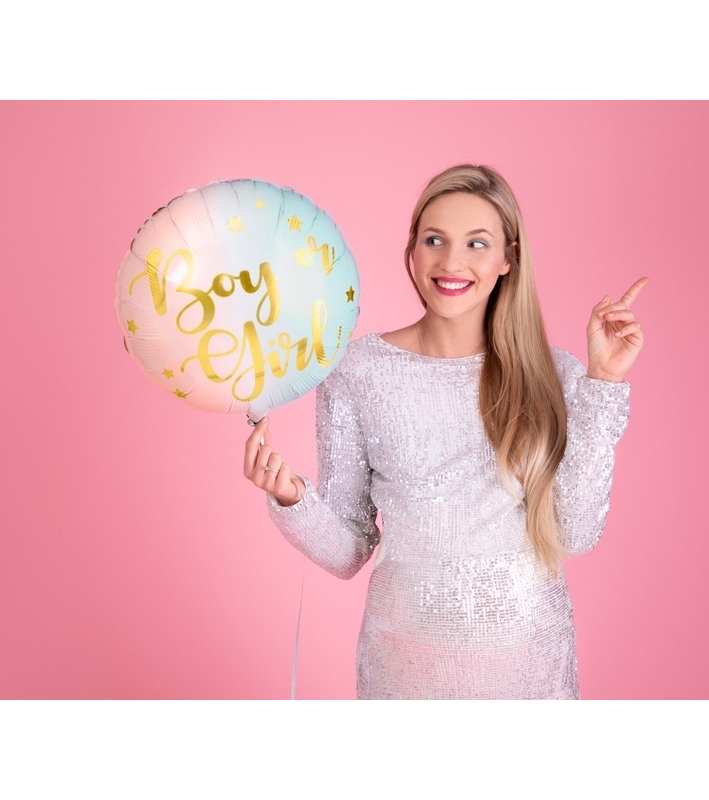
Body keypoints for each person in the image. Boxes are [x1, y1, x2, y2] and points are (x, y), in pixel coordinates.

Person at [243, 164, 647, 699]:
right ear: (412, 249)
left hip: (530, 675)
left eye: (477, 243)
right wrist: (291, 499)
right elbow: (348, 551)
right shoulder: (357, 372)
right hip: (402, 674)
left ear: (509, 258)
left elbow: (576, 532)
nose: (452, 262)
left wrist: (605, 383)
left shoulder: (556, 374)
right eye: (434, 240)